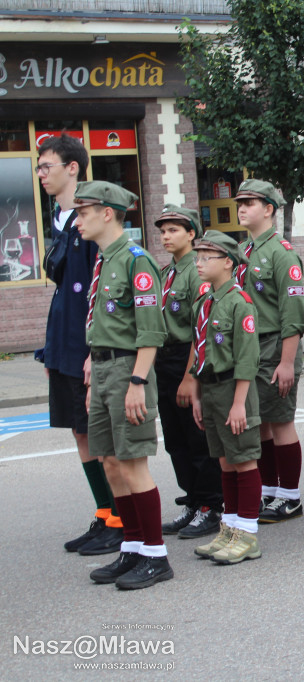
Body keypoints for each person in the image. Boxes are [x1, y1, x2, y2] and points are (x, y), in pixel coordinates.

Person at [76, 181, 172, 590]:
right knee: (110, 463)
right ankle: (131, 546)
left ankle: (155, 554)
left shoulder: (136, 260)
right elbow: (104, 323)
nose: (78, 220)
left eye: (84, 212)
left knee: (133, 464)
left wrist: (137, 381)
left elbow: (151, 332)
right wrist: (90, 368)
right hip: (102, 370)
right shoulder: (104, 260)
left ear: (107, 213)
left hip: (128, 371)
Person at [37, 134, 122, 556]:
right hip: (64, 343)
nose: (40, 174)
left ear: (72, 168)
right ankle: (105, 512)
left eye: (46, 166)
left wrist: (92, 352)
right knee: (80, 431)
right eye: (37, 167)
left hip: (86, 345)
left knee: (98, 433)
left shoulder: (89, 222)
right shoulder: (60, 221)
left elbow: (99, 294)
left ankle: (121, 519)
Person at [232, 180, 304, 523]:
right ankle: (269, 490)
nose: (242, 208)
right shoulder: (241, 251)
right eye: (240, 203)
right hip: (250, 348)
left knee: (281, 422)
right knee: (260, 424)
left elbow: (293, 315)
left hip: (275, 345)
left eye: (250, 202)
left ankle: (290, 496)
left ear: (269, 210)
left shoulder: (281, 252)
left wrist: (287, 362)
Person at [188, 231, 264, 564]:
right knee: (224, 461)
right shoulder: (205, 302)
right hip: (212, 388)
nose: (199, 263)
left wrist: (238, 403)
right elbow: (199, 352)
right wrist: (198, 395)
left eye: (207, 257)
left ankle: (247, 534)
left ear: (228, 263)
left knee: (244, 458)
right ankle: (229, 528)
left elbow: (247, 358)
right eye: (198, 257)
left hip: (236, 389)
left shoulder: (239, 302)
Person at [154, 205, 223, 540]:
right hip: (164, 360)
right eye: (163, 231)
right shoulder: (166, 273)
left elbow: (201, 328)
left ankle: (211, 505)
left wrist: (189, 377)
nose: (167, 236)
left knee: (197, 438)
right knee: (175, 440)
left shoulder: (196, 273)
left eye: (174, 230)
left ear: (192, 234)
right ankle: (193, 500)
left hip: (186, 357)